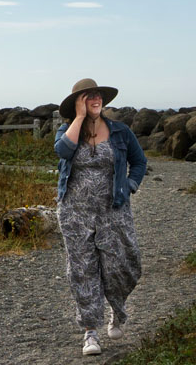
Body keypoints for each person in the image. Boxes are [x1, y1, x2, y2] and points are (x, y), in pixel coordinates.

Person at [54, 77, 147, 356]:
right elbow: (62, 150)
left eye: (97, 95)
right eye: (88, 96)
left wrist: (130, 185)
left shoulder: (120, 131)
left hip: (113, 210)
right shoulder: (67, 129)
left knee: (125, 265)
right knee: (83, 270)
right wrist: (80, 118)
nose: (95, 99)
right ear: (78, 103)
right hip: (75, 212)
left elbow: (139, 161)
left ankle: (117, 311)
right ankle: (90, 332)